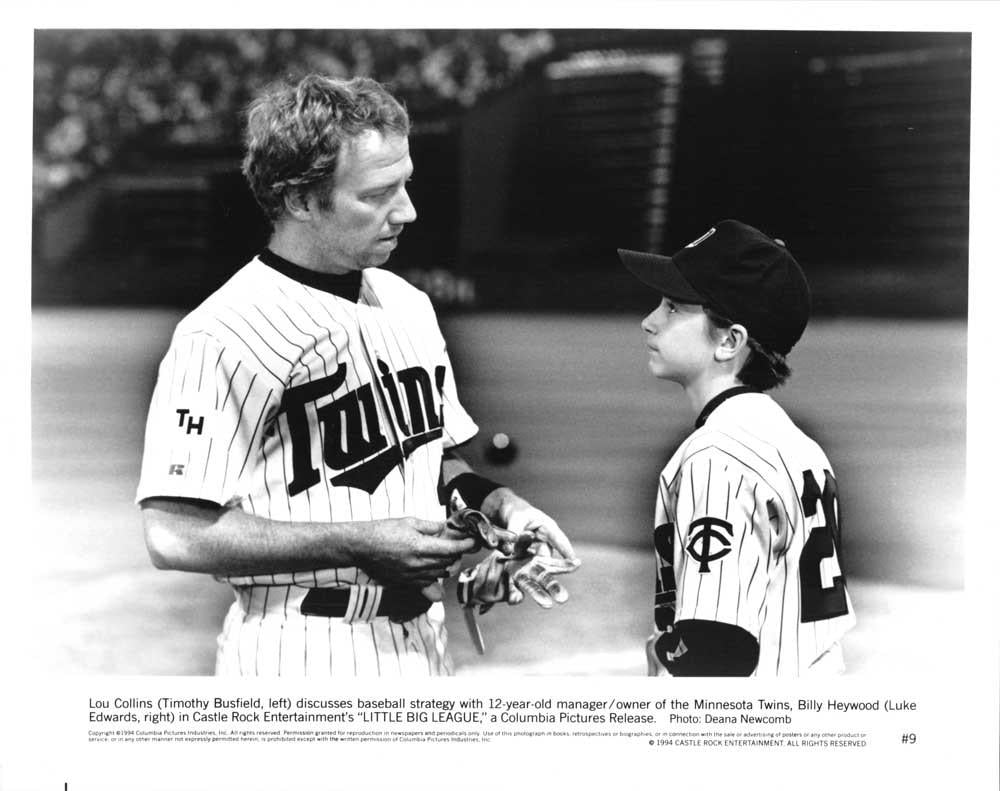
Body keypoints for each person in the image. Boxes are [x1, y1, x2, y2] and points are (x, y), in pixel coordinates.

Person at [136, 74, 579, 677]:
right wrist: (362, 541)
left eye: (406, 184)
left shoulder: (407, 303)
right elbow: (174, 534)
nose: (408, 210)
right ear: (300, 199)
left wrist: (497, 506)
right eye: (377, 194)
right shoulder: (225, 332)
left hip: (424, 647)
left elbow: (434, 457)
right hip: (300, 653)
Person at [618, 220, 855, 677]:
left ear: (730, 341)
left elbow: (717, 647)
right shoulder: (798, 446)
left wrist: (664, 654)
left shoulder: (717, 458)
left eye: (672, 308)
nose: (649, 321)